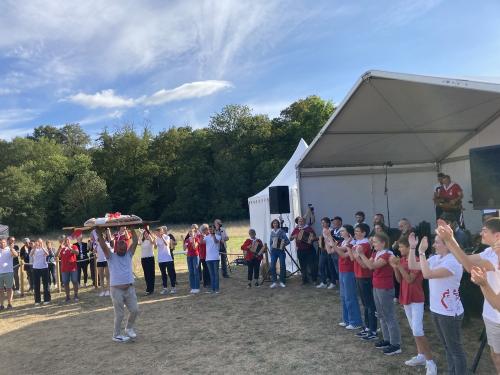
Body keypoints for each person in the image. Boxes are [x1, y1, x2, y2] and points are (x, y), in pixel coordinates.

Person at [435, 217, 500, 373]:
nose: (480, 233)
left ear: (497, 235)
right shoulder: (489, 251)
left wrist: (450, 239)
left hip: (497, 310)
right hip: (491, 314)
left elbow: (469, 266)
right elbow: (465, 261)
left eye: (484, 230)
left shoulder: (497, 256)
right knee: (496, 356)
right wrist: (449, 240)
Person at [408, 233, 467, 375]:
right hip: (437, 309)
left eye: (437, 242)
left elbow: (427, 274)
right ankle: (452, 371)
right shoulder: (436, 258)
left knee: (455, 349)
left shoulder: (453, 261)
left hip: (449, 312)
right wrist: (412, 248)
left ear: (449, 245)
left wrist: (422, 252)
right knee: (447, 347)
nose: (434, 245)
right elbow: (412, 265)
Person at [390, 236, 437, 374]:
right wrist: (395, 268)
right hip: (405, 297)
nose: (399, 249)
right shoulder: (403, 260)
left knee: (417, 330)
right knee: (413, 329)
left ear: (408, 247)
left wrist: (399, 266)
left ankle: (430, 362)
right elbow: (399, 280)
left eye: (401, 247)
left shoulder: (416, 261)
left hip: (416, 298)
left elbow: (410, 279)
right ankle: (421, 355)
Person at [356, 232, 401, 355]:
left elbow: (371, 266)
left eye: (375, 242)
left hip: (385, 287)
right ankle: (387, 339)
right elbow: (365, 265)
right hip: (376, 286)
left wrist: (360, 254)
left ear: (383, 243)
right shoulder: (376, 253)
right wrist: (358, 256)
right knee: (381, 314)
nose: (373, 243)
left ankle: (395, 344)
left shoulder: (387, 254)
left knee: (389, 315)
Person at [95, 226, 139, 343]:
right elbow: (103, 246)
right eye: (121, 248)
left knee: (134, 310)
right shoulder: (111, 256)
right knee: (119, 314)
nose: (123, 249)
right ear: (116, 248)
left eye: (124, 247)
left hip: (129, 288)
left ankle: (129, 328)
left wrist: (132, 228)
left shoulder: (129, 254)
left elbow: (135, 241)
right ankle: (116, 335)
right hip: (116, 290)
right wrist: (98, 233)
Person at [329, 225, 363, 330]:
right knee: (344, 296)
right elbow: (330, 251)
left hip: (349, 271)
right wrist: (328, 239)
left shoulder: (352, 243)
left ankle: (355, 321)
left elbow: (342, 255)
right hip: (342, 271)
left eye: (343, 230)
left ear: (348, 232)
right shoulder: (343, 242)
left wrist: (331, 240)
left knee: (350, 296)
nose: (341, 232)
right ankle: (347, 319)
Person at [349, 223, 376, 336]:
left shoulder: (364, 245)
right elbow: (353, 258)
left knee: (369, 304)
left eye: (357, 231)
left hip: (365, 276)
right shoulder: (358, 244)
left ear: (364, 233)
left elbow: (363, 264)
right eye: (355, 231)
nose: (355, 233)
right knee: (365, 303)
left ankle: (372, 329)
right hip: (359, 275)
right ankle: (367, 327)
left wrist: (356, 257)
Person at [291, 216, 318, 285]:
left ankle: (314, 280)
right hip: (300, 250)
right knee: (303, 266)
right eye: (299, 221)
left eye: (302, 221)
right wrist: (294, 236)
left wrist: (311, 238)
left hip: (309, 249)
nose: (301, 222)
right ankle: (304, 280)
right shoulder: (296, 229)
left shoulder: (309, 228)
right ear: (298, 222)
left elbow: (315, 238)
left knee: (312, 266)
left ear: (304, 221)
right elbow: (290, 238)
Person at [57, 236, 79, 302]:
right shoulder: (62, 248)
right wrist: (59, 249)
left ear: (70, 241)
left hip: (73, 268)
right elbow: (56, 255)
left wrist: (70, 248)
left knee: (75, 281)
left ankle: (76, 295)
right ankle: (67, 296)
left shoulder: (74, 246)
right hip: (64, 268)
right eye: (66, 241)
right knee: (66, 282)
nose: (67, 242)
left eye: (68, 240)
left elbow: (77, 253)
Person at [269, 219, 290, 288]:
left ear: (278, 224)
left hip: (281, 251)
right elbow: (270, 243)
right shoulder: (271, 232)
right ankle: (274, 282)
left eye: (276, 223)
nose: (275, 224)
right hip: (274, 252)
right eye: (274, 223)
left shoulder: (281, 231)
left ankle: (282, 281)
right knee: (272, 266)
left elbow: (287, 241)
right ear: (272, 224)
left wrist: (283, 245)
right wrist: (271, 249)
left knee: (282, 266)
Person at [156, 226, 177, 294]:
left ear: (161, 232)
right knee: (163, 274)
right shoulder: (156, 238)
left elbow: (167, 244)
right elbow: (155, 247)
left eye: (157, 233)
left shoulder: (167, 237)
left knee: (170, 273)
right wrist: (154, 240)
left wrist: (162, 237)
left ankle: (173, 287)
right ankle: (165, 288)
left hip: (168, 258)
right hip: (161, 259)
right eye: (156, 233)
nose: (156, 234)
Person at [30, 239, 51, 306]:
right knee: (36, 285)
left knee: (45, 284)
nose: (39, 243)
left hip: (44, 268)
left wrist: (42, 247)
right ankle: (37, 300)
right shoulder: (34, 249)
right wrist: (34, 247)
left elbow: (47, 254)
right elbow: (30, 255)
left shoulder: (44, 249)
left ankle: (47, 299)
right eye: (38, 242)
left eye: (41, 242)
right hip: (36, 268)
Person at [201, 224, 221, 294]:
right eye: (210, 229)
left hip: (215, 258)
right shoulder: (206, 237)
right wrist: (201, 235)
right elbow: (201, 242)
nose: (211, 230)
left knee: (216, 274)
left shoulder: (218, 236)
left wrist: (213, 235)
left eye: (212, 229)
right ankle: (212, 289)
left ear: (215, 230)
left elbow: (216, 241)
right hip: (208, 259)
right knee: (211, 274)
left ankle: (217, 289)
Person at [317, 217, 336, 289]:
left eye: (323, 223)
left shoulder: (331, 230)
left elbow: (332, 241)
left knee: (330, 267)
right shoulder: (323, 230)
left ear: (328, 223)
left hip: (330, 251)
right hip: (323, 251)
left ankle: (333, 282)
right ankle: (323, 282)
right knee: (321, 266)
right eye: (321, 223)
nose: (322, 224)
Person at [0, 238, 18, 310]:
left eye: (3, 242)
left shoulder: (9, 249)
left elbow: (16, 255)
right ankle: (1, 305)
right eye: (1, 243)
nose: (2, 244)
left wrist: (11, 249)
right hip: (0, 273)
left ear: (6, 243)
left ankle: (9, 304)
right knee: (0, 290)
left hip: (8, 272)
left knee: (9, 289)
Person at [92, 229, 111, 297]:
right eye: (99, 237)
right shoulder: (96, 244)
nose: (100, 238)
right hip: (99, 261)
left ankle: (108, 290)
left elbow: (110, 250)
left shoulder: (107, 243)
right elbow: (94, 252)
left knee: (108, 277)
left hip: (106, 261)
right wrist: (95, 247)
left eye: (102, 237)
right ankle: (102, 291)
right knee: (101, 277)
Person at [140, 226, 156, 296]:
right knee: (146, 274)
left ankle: (151, 289)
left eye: (147, 233)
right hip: (144, 259)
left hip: (150, 258)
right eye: (145, 234)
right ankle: (148, 288)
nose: (146, 234)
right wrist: (141, 233)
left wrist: (148, 233)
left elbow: (153, 243)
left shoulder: (151, 240)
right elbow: (138, 241)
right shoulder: (142, 241)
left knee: (151, 274)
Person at [184, 224, 200, 294]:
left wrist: (193, 240)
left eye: (192, 232)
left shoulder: (196, 239)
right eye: (189, 232)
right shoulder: (187, 240)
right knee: (191, 272)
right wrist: (183, 242)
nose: (190, 233)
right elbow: (184, 248)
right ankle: (192, 287)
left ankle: (197, 287)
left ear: (194, 233)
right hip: (189, 256)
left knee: (195, 271)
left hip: (195, 256)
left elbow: (194, 247)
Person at [198, 224, 211, 289]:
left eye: (208, 229)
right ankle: (206, 283)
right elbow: (201, 242)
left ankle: (208, 282)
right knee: (206, 269)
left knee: (208, 269)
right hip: (204, 255)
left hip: (208, 255)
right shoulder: (201, 236)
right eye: (207, 229)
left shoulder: (208, 235)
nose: (208, 230)